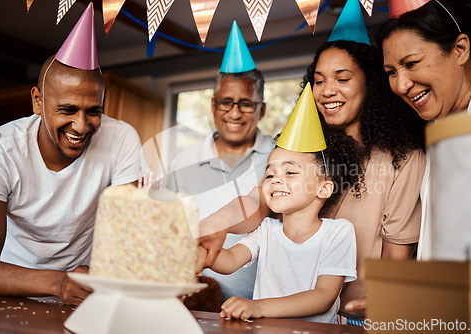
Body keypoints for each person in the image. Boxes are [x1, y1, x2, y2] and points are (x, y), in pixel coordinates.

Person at [197, 39, 427, 324]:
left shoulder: (401, 158)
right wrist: (216, 223)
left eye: (342, 78)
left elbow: (396, 256)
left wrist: (384, 310)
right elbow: (258, 203)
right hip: (278, 320)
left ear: (371, 85)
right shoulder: (302, 152)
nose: (328, 90)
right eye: (318, 81)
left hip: (359, 318)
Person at [0, 5, 146, 306]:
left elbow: (125, 241)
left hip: (83, 296)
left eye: (93, 111)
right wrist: (57, 282)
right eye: (67, 109)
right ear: (38, 101)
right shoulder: (4, 149)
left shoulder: (121, 139)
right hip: (12, 291)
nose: (81, 126)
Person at [197, 84, 360, 323]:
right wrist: (200, 250)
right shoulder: (266, 229)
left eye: (291, 173)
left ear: (324, 188)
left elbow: (323, 296)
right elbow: (229, 261)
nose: (276, 181)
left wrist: (257, 307)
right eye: (270, 174)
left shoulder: (338, 232)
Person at [375, 0, 471, 260]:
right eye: (391, 72)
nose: (400, 85)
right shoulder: (438, 129)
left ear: (460, 49)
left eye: (411, 64)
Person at [170, 22, 273, 303]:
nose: (235, 113)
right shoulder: (183, 161)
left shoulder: (280, 159)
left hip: (263, 307)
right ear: (213, 106)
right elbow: (169, 232)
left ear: (261, 109)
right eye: (226, 102)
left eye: (246, 103)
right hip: (193, 302)